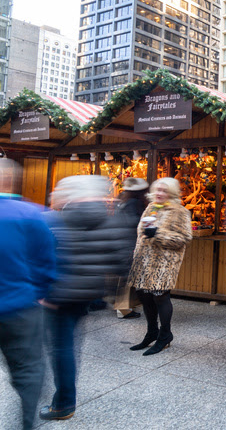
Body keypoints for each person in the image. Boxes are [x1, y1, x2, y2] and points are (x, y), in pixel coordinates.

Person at [40, 176, 130, 421]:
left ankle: (63, 404)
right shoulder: (109, 219)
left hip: (59, 295)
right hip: (87, 293)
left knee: (61, 348)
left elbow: (49, 256)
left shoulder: (59, 219)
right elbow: (122, 260)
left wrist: (46, 292)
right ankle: (62, 399)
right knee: (69, 345)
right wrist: (109, 290)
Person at [0, 159, 57, 430]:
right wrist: (41, 292)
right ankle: (26, 422)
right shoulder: (32, 214)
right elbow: (46, 260)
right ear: (12, 179)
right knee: (28, 368)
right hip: (20, 306)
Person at [127, 177, 192, 356]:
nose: (159, 193)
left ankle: (165, 335)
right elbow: (141, 231)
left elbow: (184, 238)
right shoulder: (151, 207)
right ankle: (151, 332)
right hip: (143, 260)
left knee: (160, 297)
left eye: (164, 191)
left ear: (171, 193)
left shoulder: (180, 211)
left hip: (163, 262)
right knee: (144, 295)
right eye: (157, 190)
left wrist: (158, 234)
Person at [114, 177, 149, 319]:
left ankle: (124, 306)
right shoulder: (135, 203)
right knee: (128, 279)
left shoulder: (123, 201)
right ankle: (123, 309)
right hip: (130, 244)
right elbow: (134, 222)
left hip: (121, 243)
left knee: (126, 278)